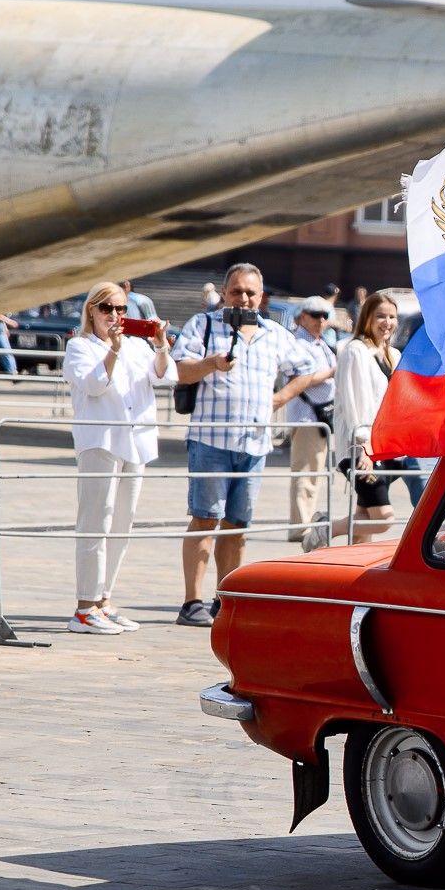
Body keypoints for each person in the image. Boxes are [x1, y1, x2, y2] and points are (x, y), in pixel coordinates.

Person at [170, 263, 322, 626]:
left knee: (238, 525)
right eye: (237, 291)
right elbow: (178, 369)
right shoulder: (203, 324)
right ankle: (192, 602)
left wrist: (279, 398)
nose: (244, 298)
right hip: (210, 439)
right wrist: (211, 364)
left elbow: (306, 369)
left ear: (261, 295)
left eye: (251, 292)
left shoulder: (274, 332)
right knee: (205, 518)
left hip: (254, 443)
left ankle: (226, 599)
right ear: (225, 293)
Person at [64, 283, 171, 634]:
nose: (115, 315)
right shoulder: (79, 346)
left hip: (134, 441)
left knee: (122, 526)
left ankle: (104, 600)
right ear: (91, 310)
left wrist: (160, 347)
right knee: (95, 523)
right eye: (107, 307)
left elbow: (165, 376)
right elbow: (94, 386)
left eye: (122, 309)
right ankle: (84, 605)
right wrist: (113, 349)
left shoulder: (137, 346)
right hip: (101, 441)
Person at [310, 290, 422, 548]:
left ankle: (353, 574)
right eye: (381, 316)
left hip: (388, 449)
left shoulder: (394, 354)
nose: (387, 322)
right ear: (367, 317)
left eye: (392, 317)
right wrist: (363, 445)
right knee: (383, 518)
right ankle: (324, 528)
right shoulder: (354, 350)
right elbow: (353, 403)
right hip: (361, 449)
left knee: (365, 517)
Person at [282, 296, 339, 542]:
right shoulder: (298, 343)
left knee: (314, 471)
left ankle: (304, 522)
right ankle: (300, 526)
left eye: (325, 315)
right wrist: (333, 372)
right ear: (302, 316)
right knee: (305, 472)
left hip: (320, 415)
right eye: (315, 315)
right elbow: (303, 377)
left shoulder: (320, 342)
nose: (321, 320)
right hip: (306, 416)